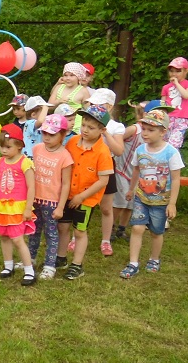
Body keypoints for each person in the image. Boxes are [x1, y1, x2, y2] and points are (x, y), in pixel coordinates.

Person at [120, 110, 184, 278]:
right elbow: (136, 170)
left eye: (150, 130)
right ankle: (133, 263)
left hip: (161, 201)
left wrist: (172, 203)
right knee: (137, 228)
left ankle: (154, 259)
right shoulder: (140, 150)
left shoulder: (171, 152)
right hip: (141, 198)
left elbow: (176, 179)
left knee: (156, 232)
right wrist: (131, 189)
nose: (145, 133)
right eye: (144, 129)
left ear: (163, 132)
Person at [57, 104, 114, 280]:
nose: (85, 130)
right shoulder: (72, 142)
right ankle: (60, 258)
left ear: (102, 130)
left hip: (85, 199)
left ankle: (77, 265)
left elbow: (103, 181)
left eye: (91, 127)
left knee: (79, 231)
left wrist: (82, 196)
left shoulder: (103, 152)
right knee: (62, 227)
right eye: (83, 125)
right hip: (66, 195)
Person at [0, 124, 36, 285]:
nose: (3, 150)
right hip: (2, 207)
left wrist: (28, 208)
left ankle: (29, 271)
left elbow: (31, 187)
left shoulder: (25, 163)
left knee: (17, 239)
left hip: (17, 208)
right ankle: (8, 266)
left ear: (20, 145)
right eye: (1, 147)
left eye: (8, 147)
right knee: (4, 236)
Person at [28, 114, 74, 280]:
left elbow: (66, 184)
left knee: (51, 234)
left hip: (52, 202)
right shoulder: (37, 148)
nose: (47, 137)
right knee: (33, 230)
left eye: (52, 134)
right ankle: (30, 259)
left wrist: (61, 207)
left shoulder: (65, 157)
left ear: (63, 134)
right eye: (44, 133)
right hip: (35, 199)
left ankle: (49, 265)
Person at [87, 88, 123, 257]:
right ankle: (77, 236)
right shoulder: (87, 123)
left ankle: (106, 240)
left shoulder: (116, 127)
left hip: (106, 167)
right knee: (84, 203)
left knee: (106, 208)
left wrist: (106, 132)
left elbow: (119, 150)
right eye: (91, 104)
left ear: (109, 107)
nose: (93, 108)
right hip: (87, 165)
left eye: (97, 105)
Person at [138, 57, 188, 149]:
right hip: (167, 118)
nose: (174, 74)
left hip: (182, 118)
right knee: (163, 141)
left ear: (186, 71)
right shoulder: (166, 87)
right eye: (171, 71)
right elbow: (162, 105)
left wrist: (176, 84)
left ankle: (173, 157)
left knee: (174, 144)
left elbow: (187, 95)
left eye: (178, 71)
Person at [110, 102, 145, 242]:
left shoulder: (153, 133)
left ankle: (122, 229)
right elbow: (117, 139)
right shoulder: (134, 129)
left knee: (131, 203)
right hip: (122, 169)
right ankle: (110, 227)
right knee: (120, 202)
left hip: (136, 174)